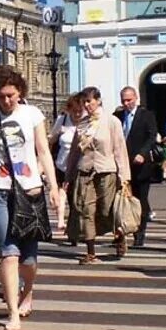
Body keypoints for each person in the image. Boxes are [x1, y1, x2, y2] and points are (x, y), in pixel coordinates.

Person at [0, 67, 61, 330]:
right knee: (8, 254)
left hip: (31, 191)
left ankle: (28, 291)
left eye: (10, 95)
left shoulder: (32, 114)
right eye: (1, 97)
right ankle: (12, 312)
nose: (6, 101)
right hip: (0, 191)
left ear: (20, 92)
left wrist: (54, 189)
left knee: (29, 260)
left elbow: (43, 152)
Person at [65, 87, 131, 264]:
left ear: (98, 101)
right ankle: (90, 251)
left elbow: (119, 150)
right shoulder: (82, 123)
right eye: (85, 102)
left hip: (106, 171)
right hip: (85, 171)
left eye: (90, 101)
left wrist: (124, 177)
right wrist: (68, 175)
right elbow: (74, 152)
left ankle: (120, 236)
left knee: (107, 210)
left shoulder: (111, 121)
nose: (87, 105)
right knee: (86, 210)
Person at [115, 87, 157, 249]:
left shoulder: (146, 115)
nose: (126, 104)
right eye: (124, 100)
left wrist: (143, 153)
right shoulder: (117, 116)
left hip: (141, 165)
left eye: (129, 100)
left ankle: (139, 234)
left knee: (140, 200)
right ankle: (120, 233)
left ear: (136, 98)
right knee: (120, 200)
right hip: (122, 164)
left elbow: (152, 136)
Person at [50, 94, 83, 235]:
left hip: (80, 167)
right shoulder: (62, 120)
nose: (77, 114)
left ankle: (74, 226)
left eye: (79, 111)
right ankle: (62, 221)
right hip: (62, 165)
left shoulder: (88, 121)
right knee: (64, 194)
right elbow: (51, 140)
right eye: (74, 110)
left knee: (77, 199)